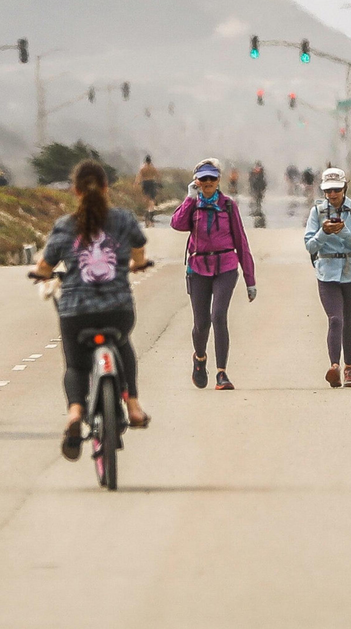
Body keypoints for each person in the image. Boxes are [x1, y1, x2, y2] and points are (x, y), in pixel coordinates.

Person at [35, 160, 152, 461]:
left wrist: (43, 274)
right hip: (117, 308)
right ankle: (134, 407)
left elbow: (45, 265)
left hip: (76, 311)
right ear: (105, 187)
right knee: (122, 344)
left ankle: (75, 413)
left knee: (76, 366)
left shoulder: (65, 225)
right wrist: (137, 264)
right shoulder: (124, 220)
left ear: (74, 190)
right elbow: (139, 250)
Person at [172, 158, 257, 391]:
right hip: (198, 268)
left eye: (212, 178)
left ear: (219, 180)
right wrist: (189, 199)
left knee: (218, 315)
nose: (207, 182)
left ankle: (222, 373)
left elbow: (241, 242)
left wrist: (250, 280)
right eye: (203, 178)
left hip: (225, 267)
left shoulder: (228, 205)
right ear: (196, 181)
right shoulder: (192, 205)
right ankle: (200, 359)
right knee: (201, 323)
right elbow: (177, 225)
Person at [304, 168, 351, 388]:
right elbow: (310, 244)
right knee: (335, 319)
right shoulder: (317, 211)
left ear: (345, 188)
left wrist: (342, 232)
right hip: (327, 272)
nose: (332, 195)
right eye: (328, 191)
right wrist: (324, 232)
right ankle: (334, 366)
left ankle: (349, 368)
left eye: (336, 190)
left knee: (348, 320)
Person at [135, 155, 161, 227]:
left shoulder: (143, 168)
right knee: (152, 200)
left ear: (145, 160)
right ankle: (151, 216)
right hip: (152, 182)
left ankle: (146, 216)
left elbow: (139, 176)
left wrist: (136, 183)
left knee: (146, 199)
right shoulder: (153, 168)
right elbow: (158, 175)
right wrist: (159, 183)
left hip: (145, 183)